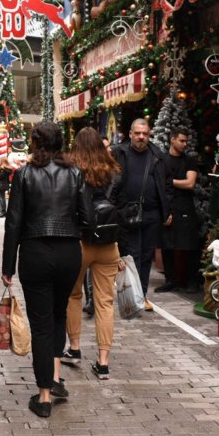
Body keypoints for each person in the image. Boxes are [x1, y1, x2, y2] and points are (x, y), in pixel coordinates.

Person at [1, 121, 89, 418]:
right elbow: (87, 215)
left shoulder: (24, 174)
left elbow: (13, 222)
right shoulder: (75, 173)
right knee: (59, 314)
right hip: (68, 251)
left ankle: (44, 395)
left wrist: (7, 266)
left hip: (35, 251)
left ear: (35, 142)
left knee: (40, 322)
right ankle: (54, 378)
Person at [63, 128, 123, 380]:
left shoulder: (71, 172)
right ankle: (103, 361)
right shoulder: (113, 171)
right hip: (109, 243)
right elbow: (121, 208)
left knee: (73, 296)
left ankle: (75, 348)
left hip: (79, 242)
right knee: (105, 302)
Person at [110, 118, 172, 311]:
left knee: (146, 257)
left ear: (149, 134)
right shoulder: (119, 153)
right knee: (131, 256)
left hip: (151, 214)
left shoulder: (157, 155)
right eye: (137, 133)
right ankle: (131, 297)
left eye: (145, 134)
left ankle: (142, 295)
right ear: (130, 134)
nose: (141, 137)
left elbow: (166, 185)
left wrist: (167, 210)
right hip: (126, 213)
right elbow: (110, 181)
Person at [155, 128, 202, 294]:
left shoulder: (190, 160)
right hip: (168, 206)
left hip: (185, 206)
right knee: (167, 244)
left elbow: (190, 183)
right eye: (182, 140)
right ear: (172, 140)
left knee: (189, 245)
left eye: (186, 141)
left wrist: (168, 181)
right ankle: (170, 280)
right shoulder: (162, 160)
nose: (185, 144)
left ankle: (192, 281)